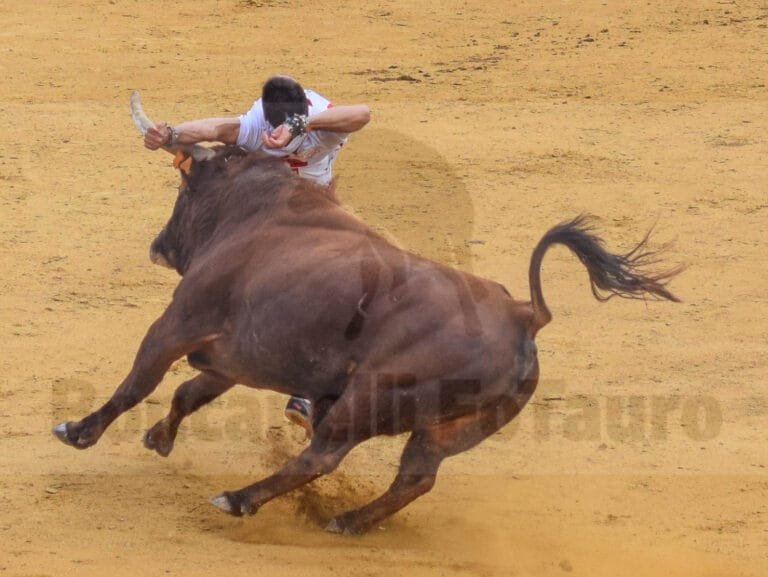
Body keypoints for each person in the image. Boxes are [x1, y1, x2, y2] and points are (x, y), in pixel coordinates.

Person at [143, 75, 371, 436]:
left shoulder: (320, 119)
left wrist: (302, 123)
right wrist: (170, 135)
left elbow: (362, 113)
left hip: (314, 204)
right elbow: (217, 129)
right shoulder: (256, 123)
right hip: (263, 207)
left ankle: (310, 388)